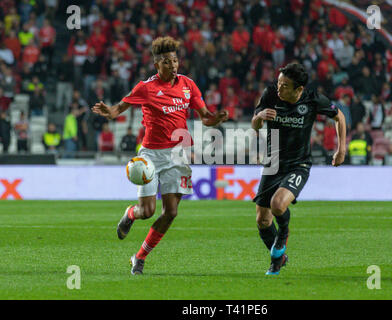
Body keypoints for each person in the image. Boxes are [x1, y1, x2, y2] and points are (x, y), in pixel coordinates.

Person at [91, 36, 228, 275]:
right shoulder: (146, 88)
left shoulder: (188, 84)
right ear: (157, 65)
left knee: (172, 212)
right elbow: (119, 109)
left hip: (178, 155)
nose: (173, 65)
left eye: (175, 60)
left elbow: (205, 115)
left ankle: (139, 257)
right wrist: (108, 112)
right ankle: (130, 213)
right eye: (166, 62)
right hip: (151, 156)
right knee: (147, 212)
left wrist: (215, 119)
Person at [251, 63, 346, 275]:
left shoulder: (312, 99)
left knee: (277, 205)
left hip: (298, 164)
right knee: (262, 220)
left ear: (298, 89)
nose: (279, 89)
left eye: (284, 86)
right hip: (273, 163)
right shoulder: (270, 94)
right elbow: (254, 125)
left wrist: (341, 150)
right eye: (278, 83)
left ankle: (282, 239)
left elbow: (339, 116)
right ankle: (279, 258)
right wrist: (259, 118)